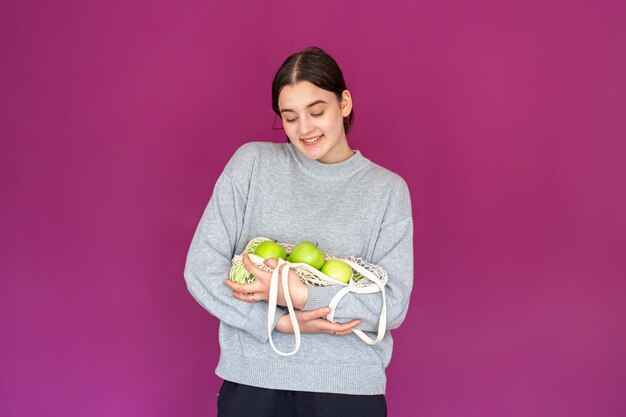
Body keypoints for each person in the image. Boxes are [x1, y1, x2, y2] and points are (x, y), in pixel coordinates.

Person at [184, 46, 413, 417]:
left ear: (345, 103)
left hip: (347, 391)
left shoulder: (387, 191)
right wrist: (279, 321)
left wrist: (303, 293)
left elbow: (393, 305)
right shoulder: (251, 165)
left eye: (317, 111)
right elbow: (200, 270)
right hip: (253, 386)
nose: (304, 129)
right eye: (290, 118)